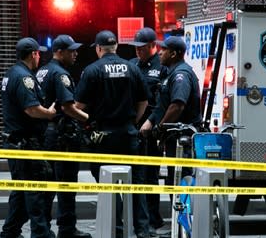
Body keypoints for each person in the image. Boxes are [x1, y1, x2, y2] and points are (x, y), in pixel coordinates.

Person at [74, 30, 150, 238]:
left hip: (103, 136)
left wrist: (88, 121)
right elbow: (144, 101)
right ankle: (142, 230)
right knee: (136, 184)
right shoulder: (132, 69)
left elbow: (78, 105)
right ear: (116, 47)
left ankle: (116, 230)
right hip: (128, 133)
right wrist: (133, 121)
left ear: (99, 49)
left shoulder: (92, 70)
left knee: (108, 184)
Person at [0, 37, 57, 238]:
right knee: (36, 192)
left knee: (21, 190)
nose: (40, 56)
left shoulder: (11, 73)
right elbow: (32, 110)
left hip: (17, 143)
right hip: (25, 145)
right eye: (38, 53)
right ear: (33, 54)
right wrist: (50, 114)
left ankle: (10, 232)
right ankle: (41, 234)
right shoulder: (24, 77)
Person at [36, 34, 91, 238]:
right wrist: (87, 118)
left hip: (46, 134)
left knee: (48, 183)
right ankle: (66, 229)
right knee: (66, 182)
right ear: (59, 52)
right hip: (61, 136)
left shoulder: (42, 70)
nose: (75, 53)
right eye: (71, 50)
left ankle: (43, 228)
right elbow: (68, 107)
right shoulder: (60, 74)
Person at [140, 36, 202, 187]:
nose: (160, 53)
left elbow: (177, 105)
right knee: (173, 179)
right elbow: (164, 104)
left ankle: (185, 211)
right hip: (174, 138)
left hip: (183, 139)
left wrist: (161, 128)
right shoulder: (170, 73)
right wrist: (151, 121)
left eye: (164, 50)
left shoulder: (181, 75)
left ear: (173, 54)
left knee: (181, 179)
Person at [128, 27, 168, 234]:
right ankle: (141, 217)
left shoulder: (162, 67)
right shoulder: (132, 65)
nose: (137, 51)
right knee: (138, 175)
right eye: (135, 48)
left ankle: (153, 218)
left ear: (154, 46)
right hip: (134, 127)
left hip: (151, 128)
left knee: (150, 175)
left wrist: (153, 123)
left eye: (141, 48)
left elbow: (164, 102)